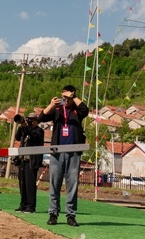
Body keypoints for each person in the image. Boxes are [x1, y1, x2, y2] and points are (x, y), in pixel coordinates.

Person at [38, 84, 89, 227]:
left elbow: (86, 110)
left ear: (73, 95)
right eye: (63, 96)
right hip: (57, 152)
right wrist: (50, 105)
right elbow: (42, 117)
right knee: (55, 183)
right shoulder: (58, 109)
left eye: (67, 96)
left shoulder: (77, 111)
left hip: (73, 152)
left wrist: (73, 97)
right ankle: (53, 214)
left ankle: (71, 215)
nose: (64, 99)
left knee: (72, 184)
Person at [14, 112, 44, 214]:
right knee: (22, 183)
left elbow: (34, 136)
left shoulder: (39, 131)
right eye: (29, 120)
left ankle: (31, 206)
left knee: (30, 184)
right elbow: (17, 137)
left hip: (32, 161)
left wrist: (27, 127)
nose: (30, 122)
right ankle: (23, 204)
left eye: (32, 120)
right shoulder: (25, 130)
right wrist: (22, 126)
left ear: (36, 121)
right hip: (23, 159)